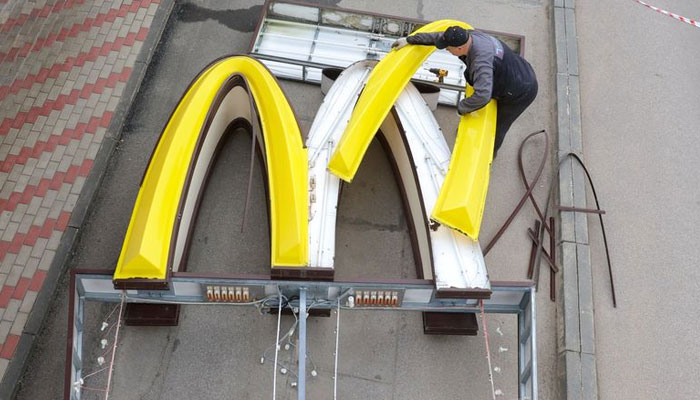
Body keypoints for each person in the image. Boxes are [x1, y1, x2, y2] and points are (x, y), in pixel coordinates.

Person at [392, 26, 538, 157]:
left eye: (448, 49)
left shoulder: (480, 63)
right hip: (517, 69)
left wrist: (462, 107)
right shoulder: (467, 35)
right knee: (473, 77)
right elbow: (438, 37)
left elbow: (483, 96)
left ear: (460, 48)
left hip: (521, 91)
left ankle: (487, 156)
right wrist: (409, 40)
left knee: (498, 126)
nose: (447, 51)